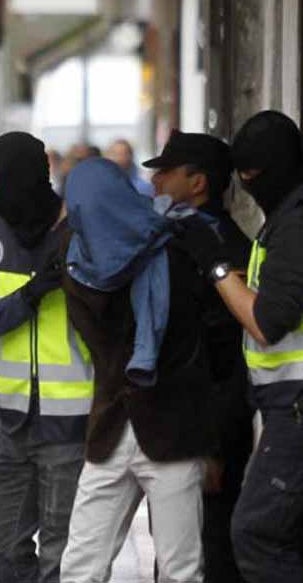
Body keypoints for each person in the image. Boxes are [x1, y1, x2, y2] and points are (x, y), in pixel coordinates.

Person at [58, 158, 213, 583]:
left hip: (172, 431)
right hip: (111, 429)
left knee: (181, 570)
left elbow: (206, 347)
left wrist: (212, 439)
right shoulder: (75, 259)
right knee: (80, 567)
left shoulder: (175, 250)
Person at [0, 132, 92, 583]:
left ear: (23, 180)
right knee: (1, 556)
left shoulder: (80, 231)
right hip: (12, 426)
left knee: (62, 563)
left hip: (72, 429)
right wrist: (27, 298)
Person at [173, 110, 303, 582]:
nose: (246, 185)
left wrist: (216, 266)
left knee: (256, 534)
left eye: (252, 174)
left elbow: (267, 323)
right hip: (280, 404)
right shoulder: (283, 219)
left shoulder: (294, 224)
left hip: (296, 407)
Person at [144, 130, 252, 583]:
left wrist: (214, 447)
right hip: (179, 425)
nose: (156, 182)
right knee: (178, 551)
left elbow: (226, 355)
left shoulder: (215, 246)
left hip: (205, 430)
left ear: (198, 182)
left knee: (206, 551)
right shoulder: (181, 237)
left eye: (166, 173)